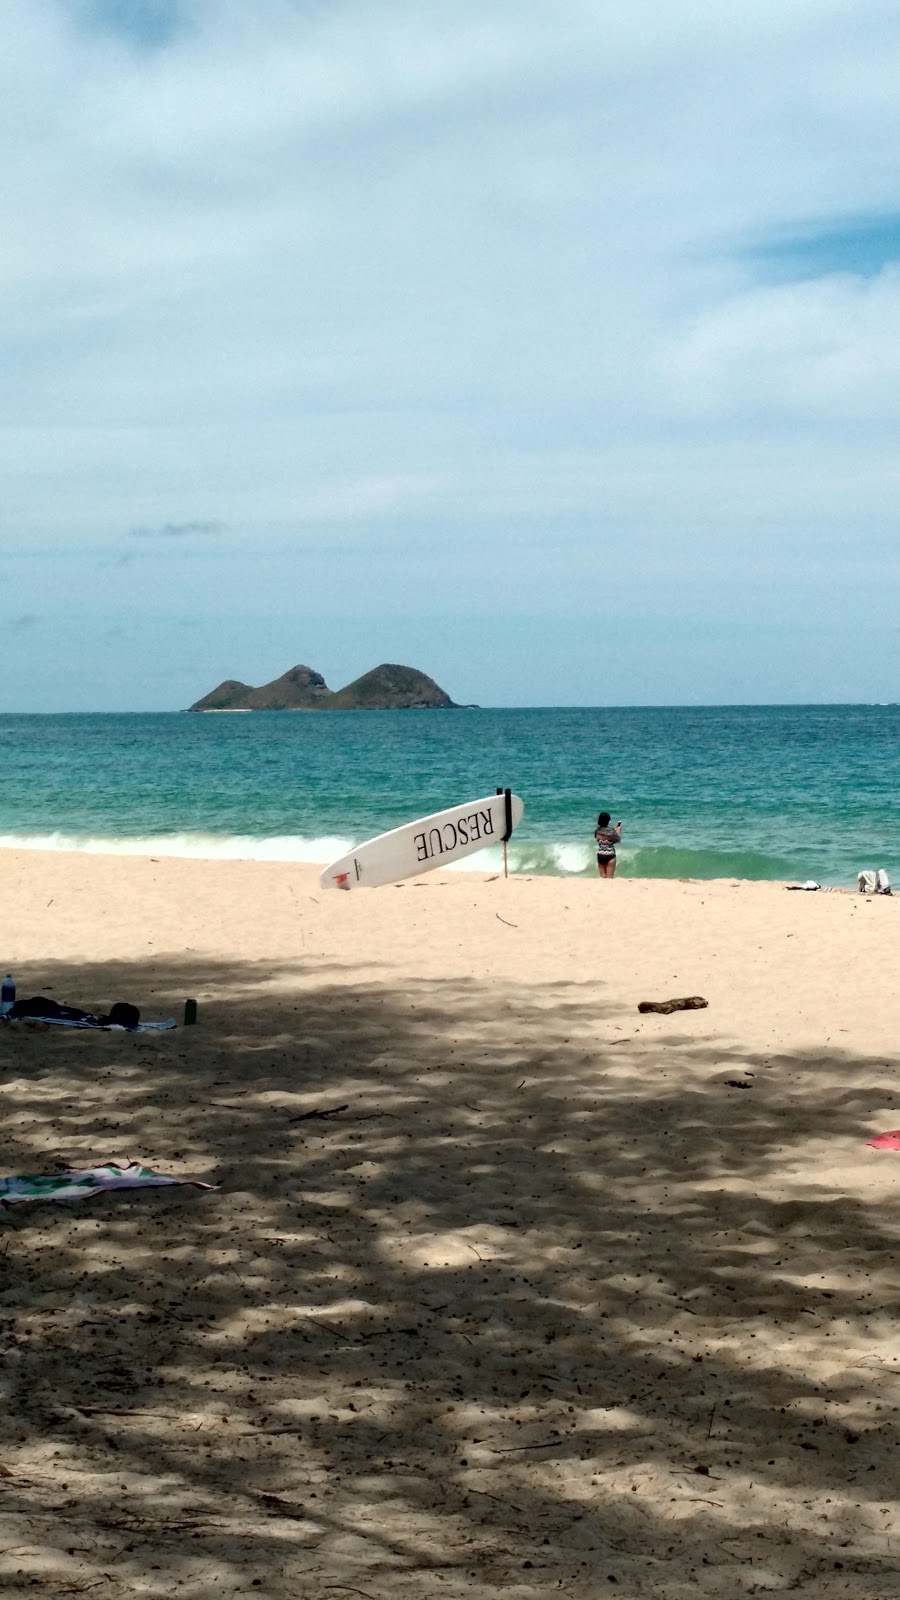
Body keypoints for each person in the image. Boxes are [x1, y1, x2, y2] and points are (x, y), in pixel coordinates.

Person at [594, 811, 621, 878]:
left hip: (600, 854)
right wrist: (618, 831)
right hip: (610, 855)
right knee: (609, 878)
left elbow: (603, 833)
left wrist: (614, 829)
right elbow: (618, 840)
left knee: (602, 877)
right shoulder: (611, 832)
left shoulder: (597, 831)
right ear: (608, 821)